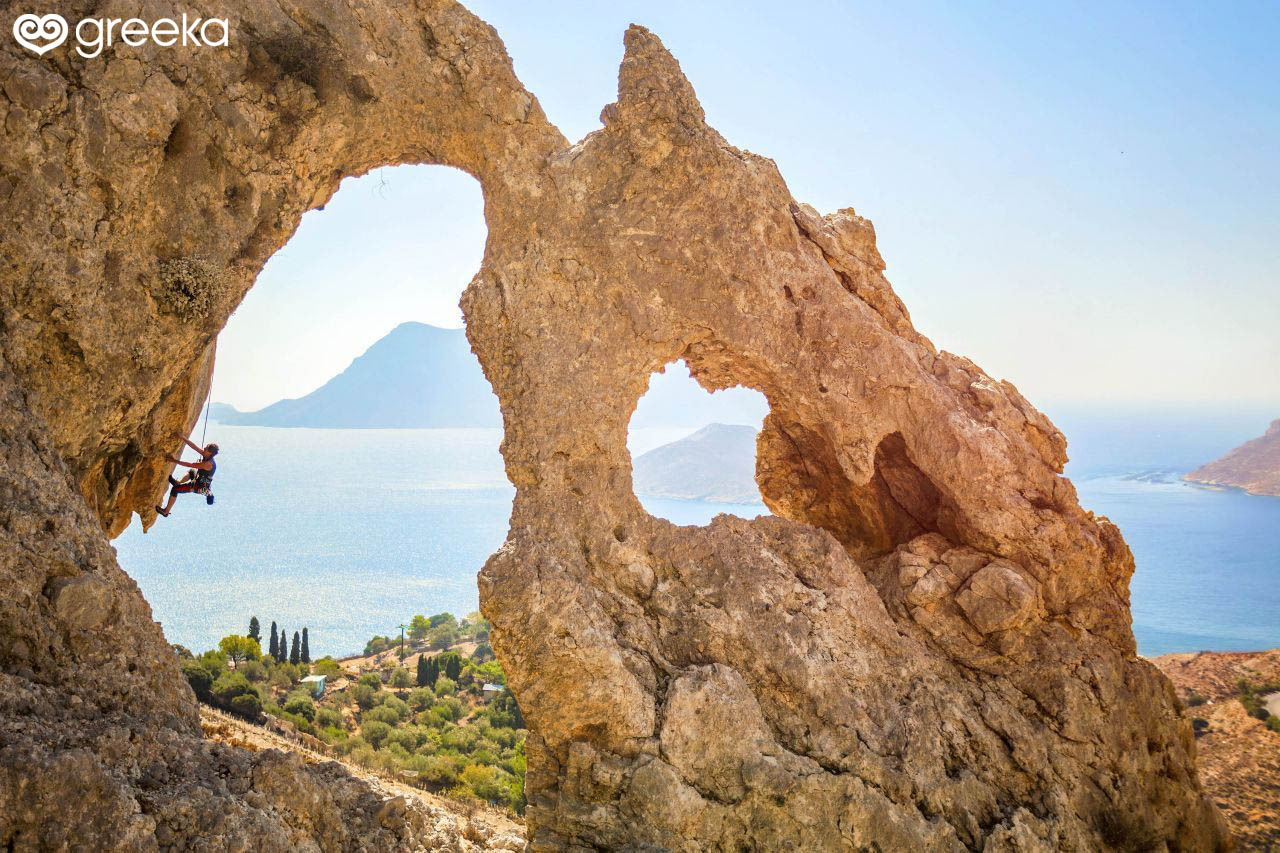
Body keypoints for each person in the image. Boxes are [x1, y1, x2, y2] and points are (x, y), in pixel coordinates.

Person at [155, 433, 218, 518]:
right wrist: (182, 437)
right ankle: (178, 482)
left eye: (206, 448)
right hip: (201, 481)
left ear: (209, 452)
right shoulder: (206, 455)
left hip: (199, 487)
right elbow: (193, 446)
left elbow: (190, 464)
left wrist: (173, 461)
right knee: (192, 472)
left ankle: (166, 511)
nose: (204, 448)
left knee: (175, 490)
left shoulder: (208, 464)